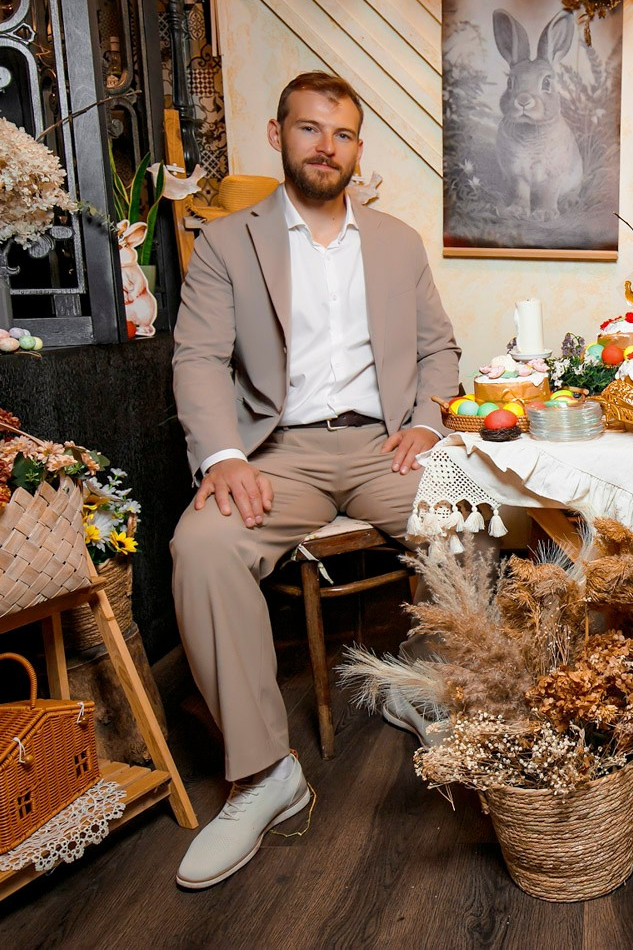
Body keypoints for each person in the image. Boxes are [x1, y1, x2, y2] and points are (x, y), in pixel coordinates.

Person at [169, 72, 460, 888]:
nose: (326, 147)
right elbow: (198, 358)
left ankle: (419, 683)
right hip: (276, 452)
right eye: (309, 129)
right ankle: (265, 774)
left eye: (342, 134)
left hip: (381, 443)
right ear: (278, 134)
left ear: (358, 148)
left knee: (470, 514)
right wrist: (224, 456)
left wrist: (426, 421)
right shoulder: (228, 242)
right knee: (202, 546)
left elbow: (439, 348)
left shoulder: (398, 241)